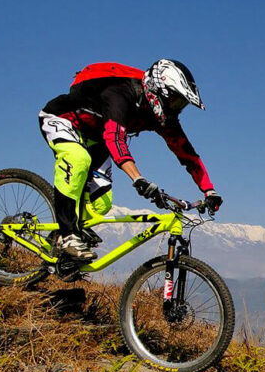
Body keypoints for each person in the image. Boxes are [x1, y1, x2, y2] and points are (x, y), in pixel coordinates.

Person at [38, 59, 222, 260]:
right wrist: (138, 178)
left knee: (101, 203)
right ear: (157, 91)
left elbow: (187, 154)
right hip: (62, 119)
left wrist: (209, 190)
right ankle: (67, 235)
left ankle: (61, 241)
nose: (177, 109)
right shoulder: (121, 95)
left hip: (94, 138)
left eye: (182, 104)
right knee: (77, 159)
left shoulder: (160, 116)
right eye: (176, 101)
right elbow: (115, 138)